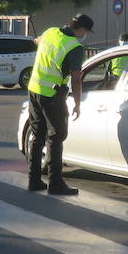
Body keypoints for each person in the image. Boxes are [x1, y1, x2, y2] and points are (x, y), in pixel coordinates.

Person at [25, 12, 93, 196]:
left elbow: (37, 41)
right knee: (57, 136)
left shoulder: (51, 32)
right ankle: (55, 183)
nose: (85, 36)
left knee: (37, 135)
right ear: (82, 29)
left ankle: (33, 180)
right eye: (86, 32)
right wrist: (78, 104)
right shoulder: (75, 47)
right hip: (52, 95)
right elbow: (77, 79)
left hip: (34, 89)